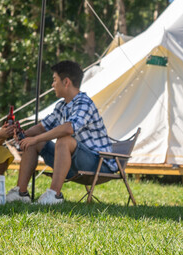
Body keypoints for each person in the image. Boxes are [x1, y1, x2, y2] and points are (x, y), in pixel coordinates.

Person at [7, 59, 117, 205]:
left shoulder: (84, 102)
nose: (52, 85)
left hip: (99, 164)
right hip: (75, 162)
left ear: (66, 82)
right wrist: (23, 134)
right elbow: (42, 127)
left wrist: (36, 138)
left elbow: (68, 128)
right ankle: (21, 193)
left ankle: (55, 195)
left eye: (54, 80)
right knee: (34, 141)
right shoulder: (62, 105)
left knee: (64, 139)